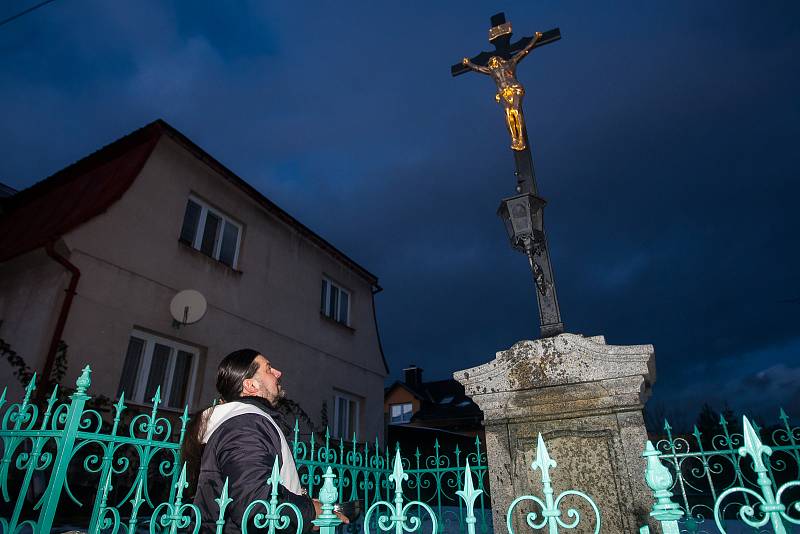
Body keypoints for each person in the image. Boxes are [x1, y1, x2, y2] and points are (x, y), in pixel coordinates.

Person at [182, 349, 349, 533]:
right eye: (268, 369)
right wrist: (313, 512)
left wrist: (304, 502)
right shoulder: (245, 424)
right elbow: (256, 505)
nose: (278, 373)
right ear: (250, 385)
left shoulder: (248, 421)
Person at [461, 31, 543, 151]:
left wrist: (535, 38)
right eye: (492, 61)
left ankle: (521, 137)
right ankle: (514, 139)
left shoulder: (511, 62)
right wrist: (468, 63)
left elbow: (525, 50)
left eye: (495, 59)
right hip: (503, 92)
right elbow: (478, 68)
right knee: (508, 112)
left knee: (515, 110)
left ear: (499, 59)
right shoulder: (492, 71)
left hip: (515, 89)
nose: (493, 61)